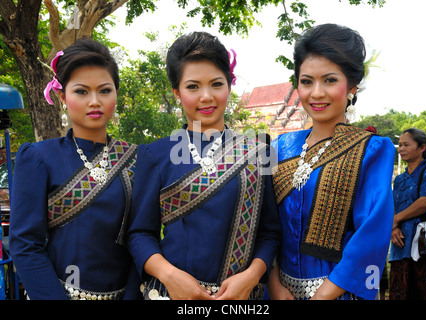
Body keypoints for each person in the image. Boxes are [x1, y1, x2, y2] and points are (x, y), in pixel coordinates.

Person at [126, 31, 281, 300]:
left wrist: (251, 276)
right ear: (177, 92)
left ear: (230, 86)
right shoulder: (155, 154)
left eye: (216, 84)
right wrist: (170, 277)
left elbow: (269, 233)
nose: (206, 96)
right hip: (172, 295)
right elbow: (139, 233)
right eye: (193, 86)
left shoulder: (257, 152)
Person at [266, 23, 396, 300]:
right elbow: (265, 223)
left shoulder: (371, 149)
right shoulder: (280, 146)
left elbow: (372, 233)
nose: (316, 93)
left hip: (340, 293)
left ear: (351, 86)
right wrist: (274, 283)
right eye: (306, 81)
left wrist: (323, 296)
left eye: (330, 80)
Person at [9, 38, 141, 300]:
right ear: (62, 96)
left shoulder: (137, 159)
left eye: (105, 90)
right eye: (81, 91)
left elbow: (142, 237)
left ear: (116, 93)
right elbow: (25, 245)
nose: (95, 101)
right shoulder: (38, 157)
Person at [388, 128, 426, 300]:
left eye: (406, 144)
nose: (401, 148)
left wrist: (395, 220)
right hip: (400, 246)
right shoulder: (399, 179)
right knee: (400, 294)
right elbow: (393, 205)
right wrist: (393, 229)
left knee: (425, 294)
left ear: (422, 147)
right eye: (400, 145)